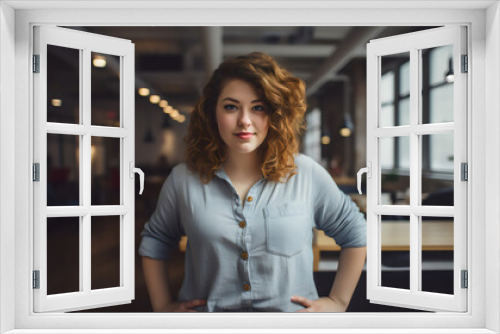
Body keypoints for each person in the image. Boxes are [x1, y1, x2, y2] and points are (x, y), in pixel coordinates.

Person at [138, 52, 366, 312]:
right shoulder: (183, 179)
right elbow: (155, 241)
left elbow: (355, 231)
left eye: (258, 107)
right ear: (213, 112)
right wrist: (162, 307)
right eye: (231, 106)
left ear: (274, 114)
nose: (244, 120)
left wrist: (338, 301)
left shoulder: (305, 173)